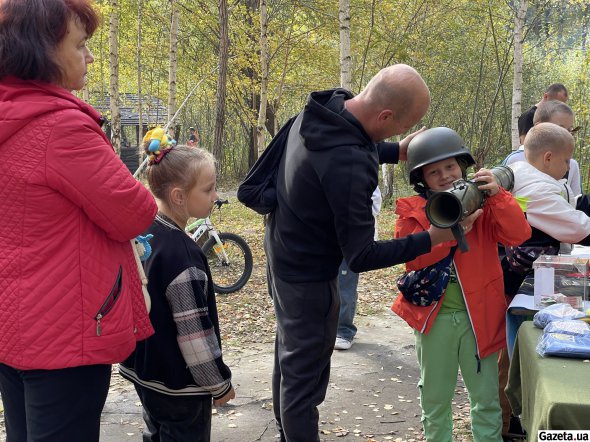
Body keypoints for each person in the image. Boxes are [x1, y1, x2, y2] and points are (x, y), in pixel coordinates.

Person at [264, 64, 482, 442]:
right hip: (308, 276)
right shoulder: (350, 165)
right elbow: (361, 255)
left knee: (289, 358)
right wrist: (434, 237)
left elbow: (351, 142)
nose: (397, 134)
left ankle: (287, 432)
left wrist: (395, 150)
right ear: (383, 115)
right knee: (304, 380)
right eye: (398, 128)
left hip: (281, 251)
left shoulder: (328, 106)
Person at [0, 1, 158, 440]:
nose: (89, 57)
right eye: (80, 45)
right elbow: (135, 214)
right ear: (42, 51)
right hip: (65, 334)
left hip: (13, 324)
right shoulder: (61, 129)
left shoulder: (9, 116)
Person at [391, 127, 531, 442]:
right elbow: (412, 258)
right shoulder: (412, 211)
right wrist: (449, 232)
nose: (444, 175)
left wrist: (498, 195)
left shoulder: (485, 205)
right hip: (434, 319)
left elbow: (519, 234)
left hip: (479, 317)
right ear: (421, 179)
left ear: (463, 166)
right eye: (434, 171)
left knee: (485, 400)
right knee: (435, 399)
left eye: (451, 167)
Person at [120, 144, 235, 441]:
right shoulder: (183, 254)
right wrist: (219, 383)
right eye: (208, 190)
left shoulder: (143, 231)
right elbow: (194, 333)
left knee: (155, 432)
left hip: (144, 371)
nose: (216, 197)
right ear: (179, 197)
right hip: (179, 387)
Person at [500, 122, 590, 440]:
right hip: (527, 278)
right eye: (567, 161)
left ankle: (512, 415)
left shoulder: (520, 171)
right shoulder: (538, 189)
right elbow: (578, 229)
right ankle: (516, 417)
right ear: (549, 157)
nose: (568, 169)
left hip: (532, 273)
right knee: (523, 345)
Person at [334, 187, 382, 350]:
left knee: (345, 289)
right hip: (322, 240)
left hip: (350, 243)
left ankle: (343, 331)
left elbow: (374, 205)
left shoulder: (360, 172)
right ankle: (322, 329)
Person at [504, 100, 582, 196]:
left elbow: (576, 201)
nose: (567, 135)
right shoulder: (515, 161)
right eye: (560, 129)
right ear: (539, 127)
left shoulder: (571, 165)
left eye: (570, 130)